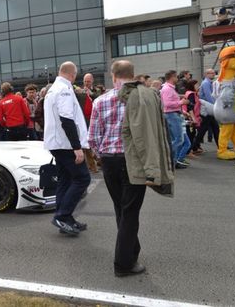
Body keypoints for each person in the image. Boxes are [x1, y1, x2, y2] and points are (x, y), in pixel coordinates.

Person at [89, 60, 170, 277]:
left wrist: (101, 156)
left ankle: (131, 250)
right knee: (130, 211)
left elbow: (93, 138)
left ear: (114, 77)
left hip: (109, 161)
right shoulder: (144, 97)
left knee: (121, 208)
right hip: (133, 160)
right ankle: (123, 264)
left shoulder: (100, 101)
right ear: (133, 75)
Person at [44, 61, 91, 236]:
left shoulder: (54, 89)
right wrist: (77, 147)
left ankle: (64, 216)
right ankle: (63, 216)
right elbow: (67, 119)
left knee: (65, 179)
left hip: (59, 143)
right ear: (72, 74)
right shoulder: (63, 89)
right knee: (82, 179)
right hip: (65, 144)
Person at [213, 46, 235, 160]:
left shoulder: (230, 80)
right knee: (226, 131)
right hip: (226, 110)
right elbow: (226, 96)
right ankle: (222, 151)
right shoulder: (227, 82)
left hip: (232, 111)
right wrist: (228, 103)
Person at [160, 70, 190, 168]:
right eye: (176, 77)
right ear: (172, 77)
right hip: (171, 115)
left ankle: (172, 161)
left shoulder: (168, 88)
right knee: (178, 139)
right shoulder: (168, 89)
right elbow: (167, 103)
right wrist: (181, 103)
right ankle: (170, 160)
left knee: (176, 139)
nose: (177, 79)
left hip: (173, 114)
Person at [75, 73, 100, 173]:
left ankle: (96, 160)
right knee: (86, 143)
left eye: (88, 81)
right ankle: (92, 165)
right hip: (85, 120)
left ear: (92, 81)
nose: (86, 83)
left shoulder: (97, 90)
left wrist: (91, 94)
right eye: (85, 81)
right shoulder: (80, 91)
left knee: (94, 142)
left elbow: (99, 97)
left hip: (96, 119)